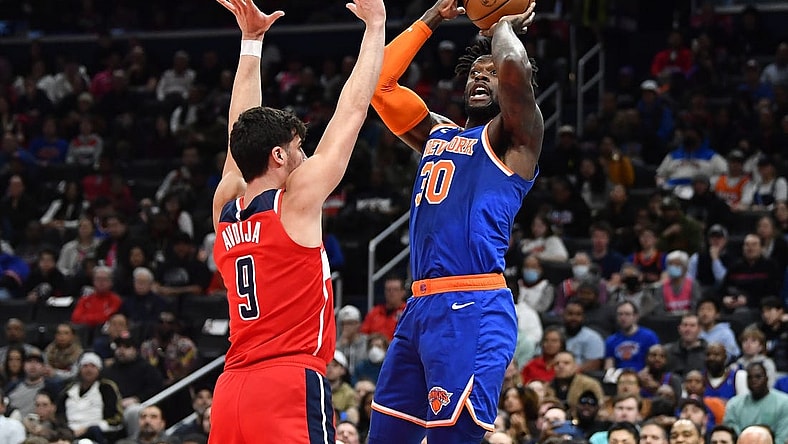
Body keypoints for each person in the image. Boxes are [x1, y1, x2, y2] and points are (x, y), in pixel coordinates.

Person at [209, 0, 385, 442]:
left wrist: (251, 42)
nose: (304, 157)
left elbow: (239, 132)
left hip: (230, 390)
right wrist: (376, 25)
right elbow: (352, 112)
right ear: (279, 155)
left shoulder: (225, 204)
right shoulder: (294, 204)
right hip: (287, 381)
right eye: (298, 148)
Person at [368, 0, 543, 440]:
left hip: (473, 305)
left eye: (491, 73)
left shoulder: (515, 137)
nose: (481, 77)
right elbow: (379, 84)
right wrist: (434, 16)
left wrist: (500, 26)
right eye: (474, 72)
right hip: (420, 307)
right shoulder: (437, 132)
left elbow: (515, 68)